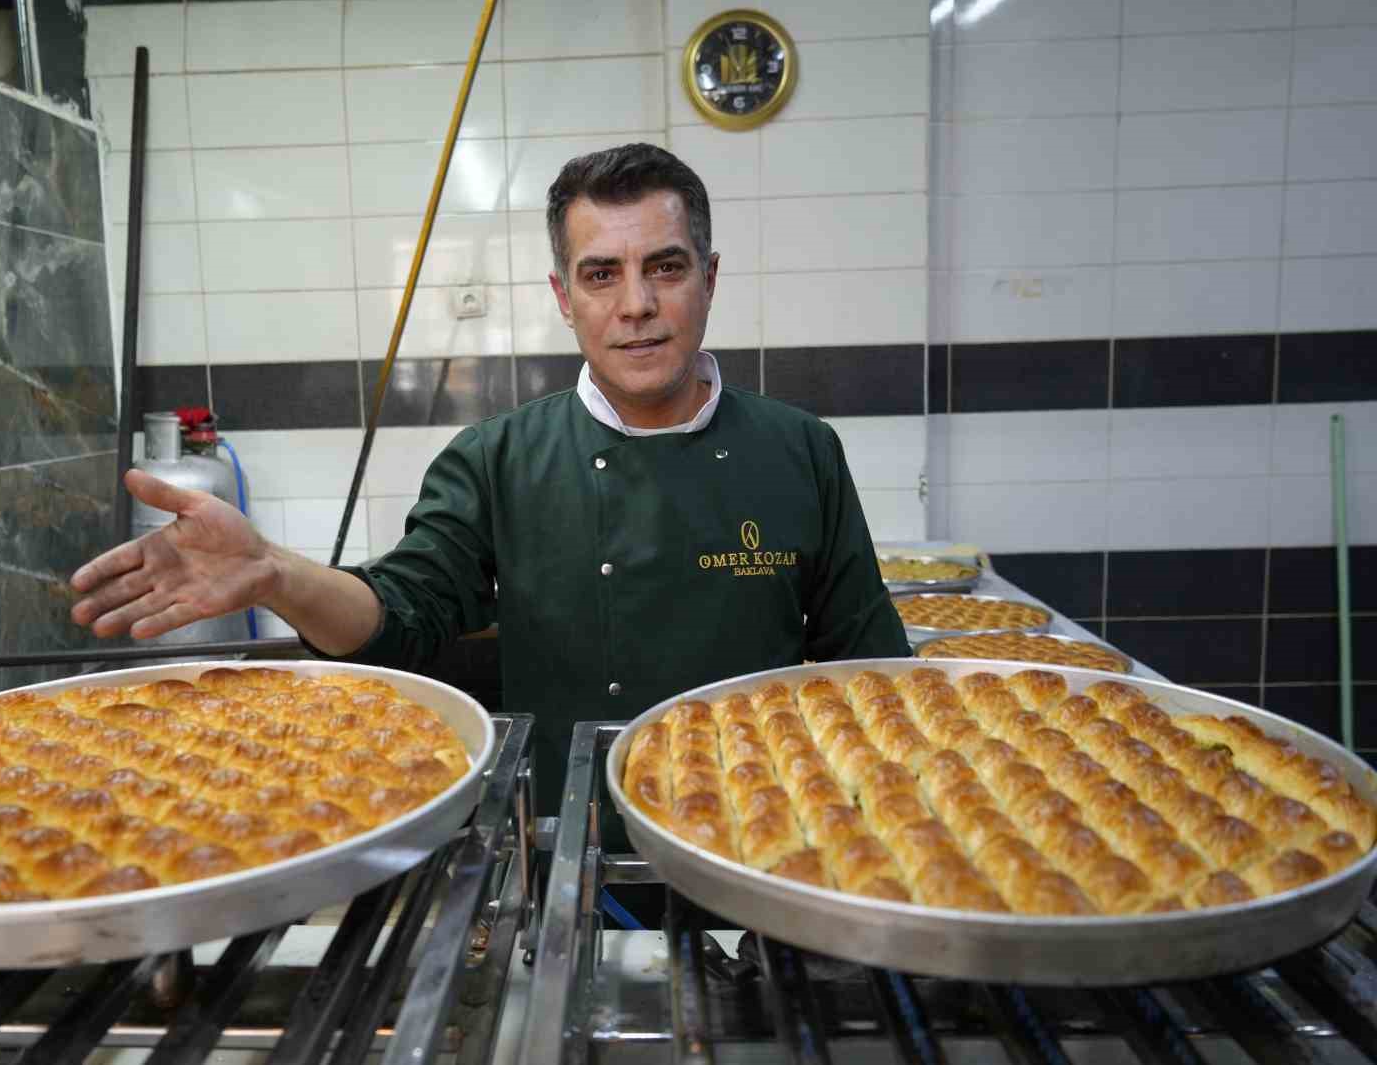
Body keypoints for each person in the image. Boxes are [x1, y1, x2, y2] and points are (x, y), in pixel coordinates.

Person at [70, 143, 911, 817]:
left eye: (666, 267)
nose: (636, 305)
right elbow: (406, 619)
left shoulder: (801, 451)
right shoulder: (498, 459)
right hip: (571, 842)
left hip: (773, 831)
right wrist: (278, 575)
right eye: (601, 274)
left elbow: (871, 677)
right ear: (563, 296)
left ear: (709, 278)